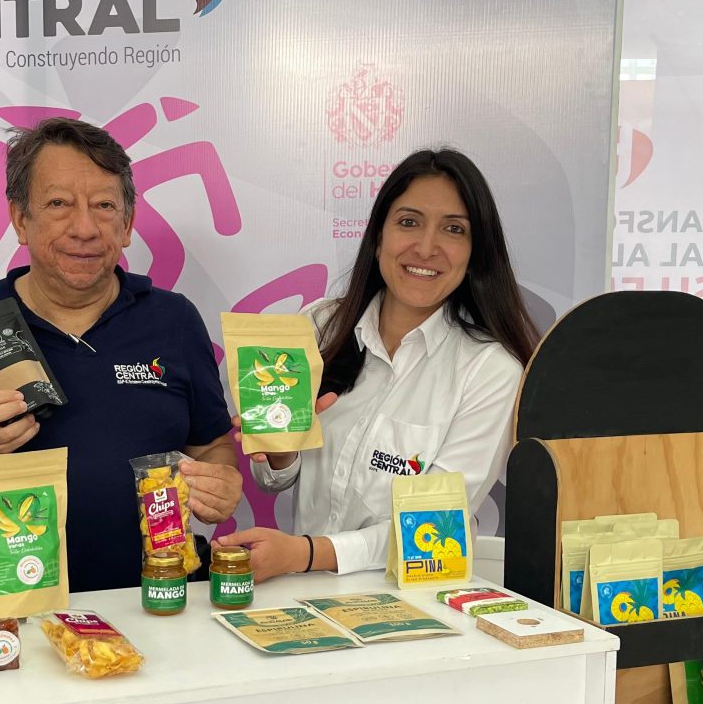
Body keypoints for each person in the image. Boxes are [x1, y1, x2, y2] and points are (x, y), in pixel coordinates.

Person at [0, 116, 243, 597]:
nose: (84, 228)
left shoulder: (174, 320)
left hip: (160, 600)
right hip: (9, 609)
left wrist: (222, 480)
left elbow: (210, 447)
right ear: (20, 219)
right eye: (59, 204)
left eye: (104, 206)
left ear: (127, 224)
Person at [217, 148, 537, 582]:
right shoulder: (320, 325)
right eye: (409, 222)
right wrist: (280, 450)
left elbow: (434, 528)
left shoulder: (491, 370)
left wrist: (307, 553)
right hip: (300, 597)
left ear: (475, 251)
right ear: (378, 235)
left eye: (453, 229)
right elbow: (276, 480)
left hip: (411, 602)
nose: (426, 247)